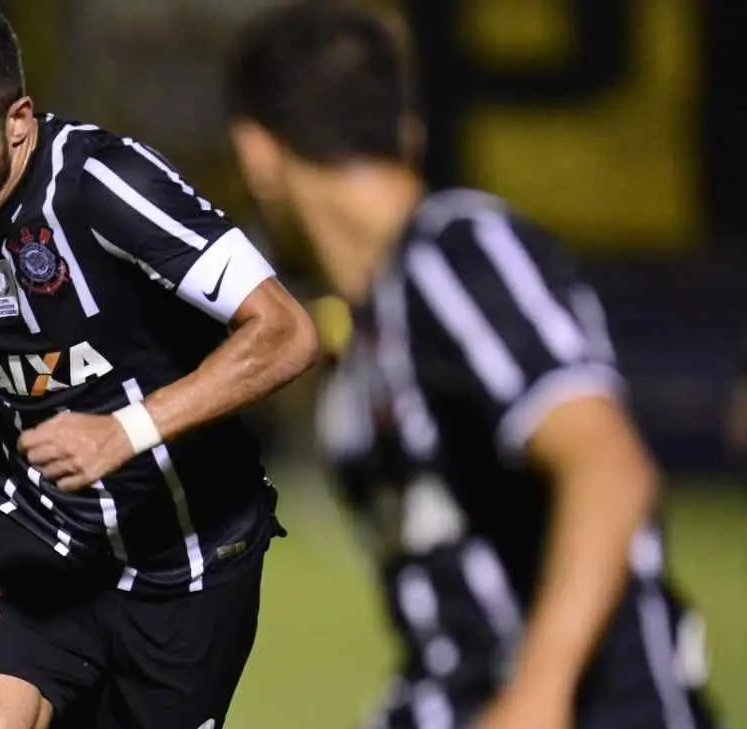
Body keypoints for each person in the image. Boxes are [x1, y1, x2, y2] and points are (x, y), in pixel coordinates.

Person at [223, 4, 721, 728]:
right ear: (408, 129)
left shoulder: (455, 252)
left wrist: (536, 695)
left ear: (258, 154)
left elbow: (610, 466)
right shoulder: (376, 329)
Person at [0, 2, 320, 727]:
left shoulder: (105, 184)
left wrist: (125, 431)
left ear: (18, 120)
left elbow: (287, 331)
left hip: (189, 552)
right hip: (39, 527)